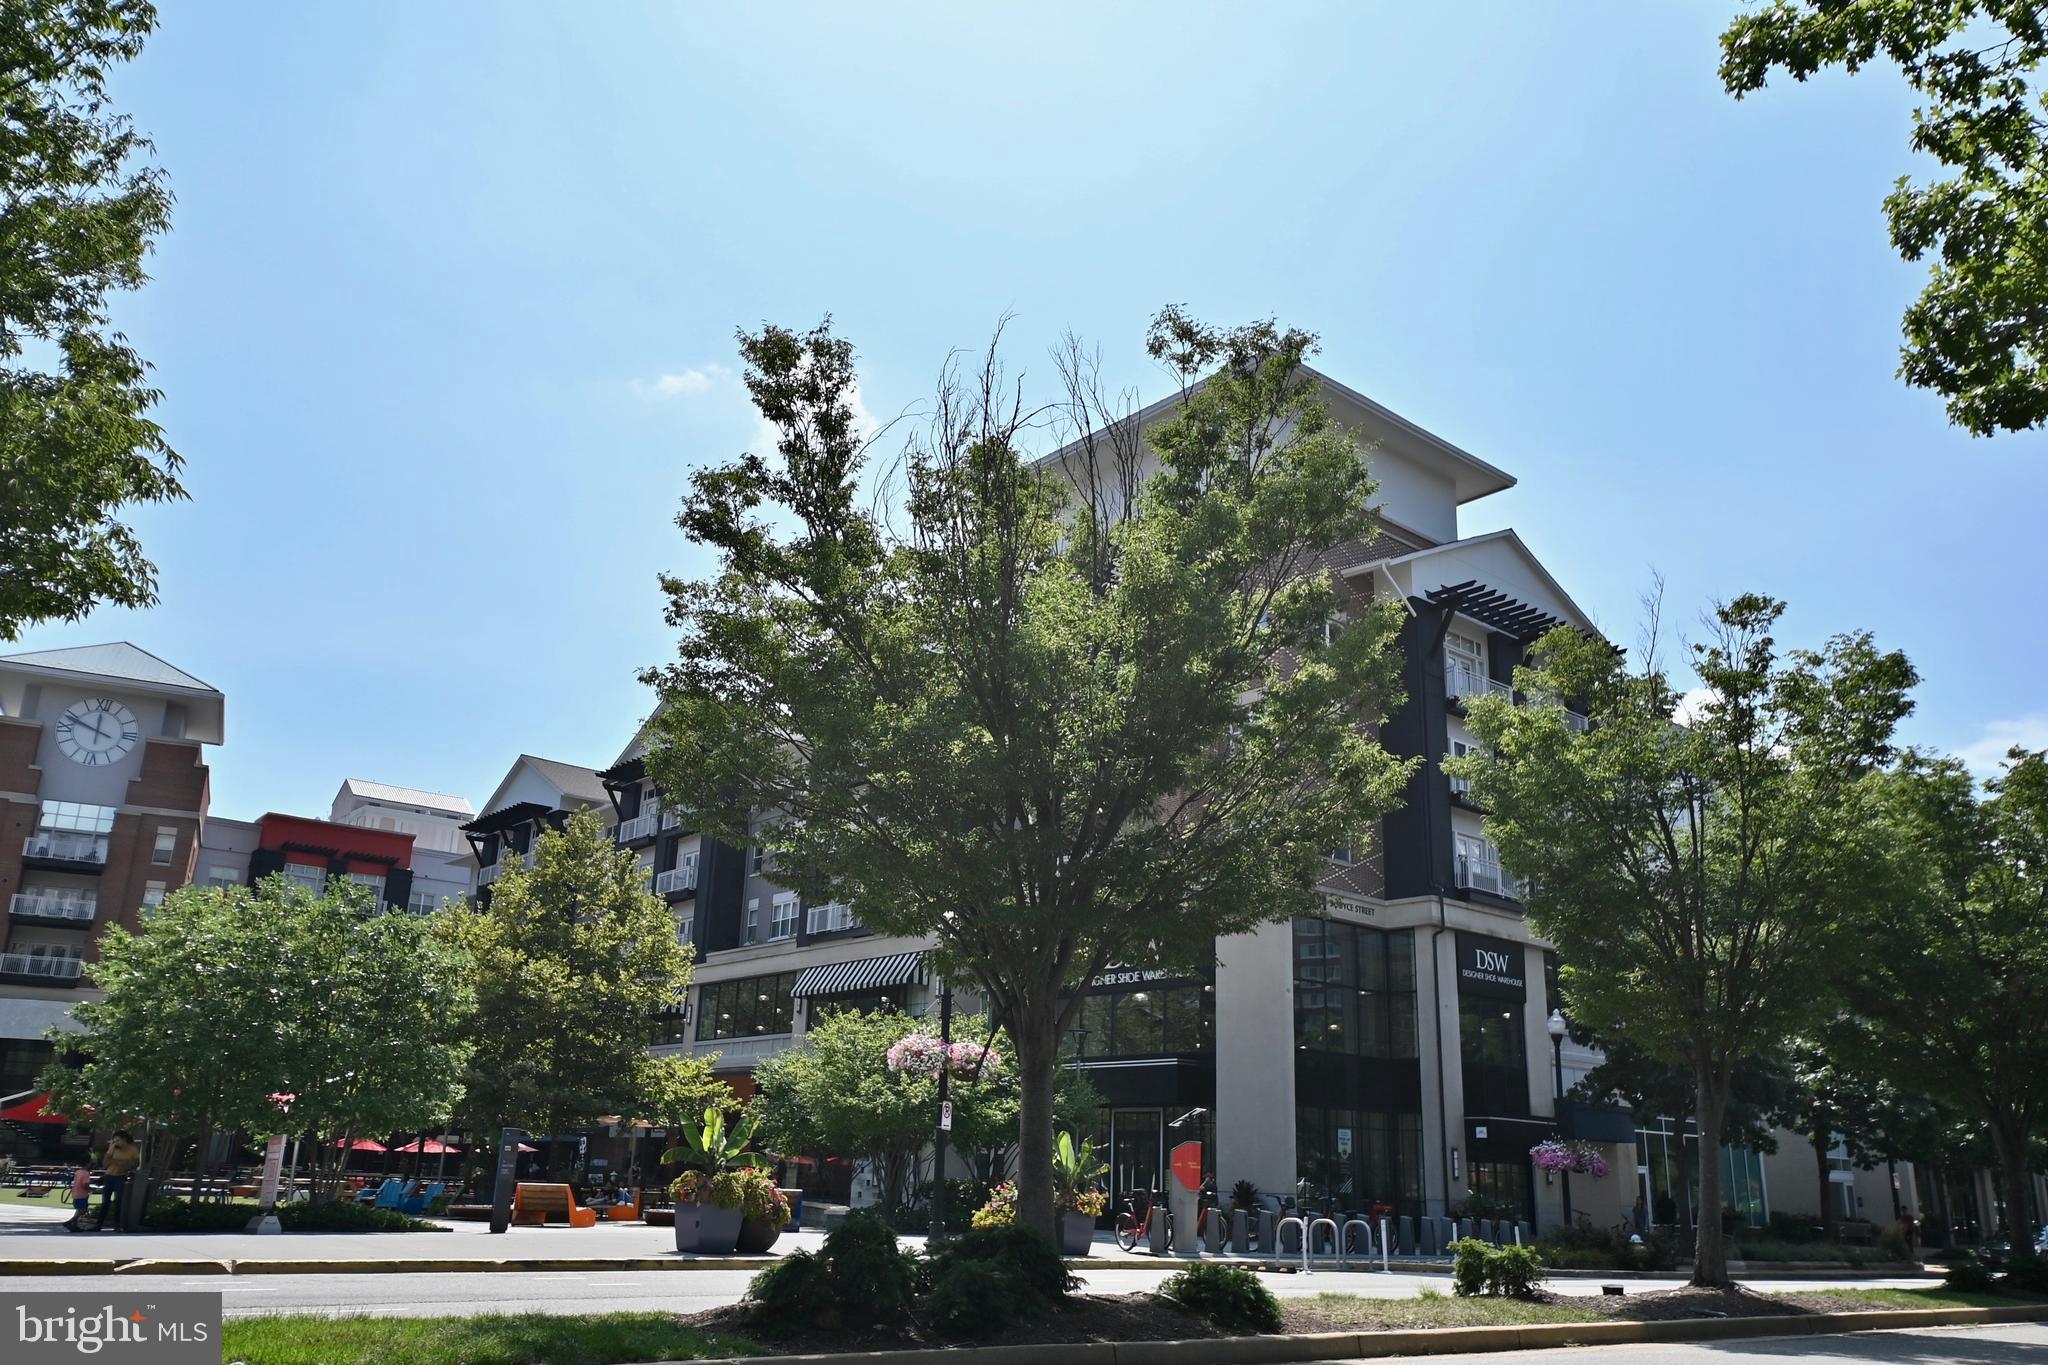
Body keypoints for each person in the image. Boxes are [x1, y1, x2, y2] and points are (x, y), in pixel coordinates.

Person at [98, 1130, 140, 1231]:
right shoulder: (113, 1147)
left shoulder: (133, 1149)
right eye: (114, 1140)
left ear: (124, 1139)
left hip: (121, 1177)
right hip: (109, 1176)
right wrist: (121, 1163)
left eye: (118, 1140)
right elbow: (106, 1161)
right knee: (105, 1201)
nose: (115, 1142)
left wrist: (123, 1164)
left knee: (119, 1201)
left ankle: (117, 1225)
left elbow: (135, 1163)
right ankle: (98, 1224)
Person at [64, 1163, 93, 1232]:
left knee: (78, 1210)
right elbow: (85, 1185)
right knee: (83, 1210)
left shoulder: (78, 1172)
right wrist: (91, 1189)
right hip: (82, 1194)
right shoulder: (86, 1173)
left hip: (76, 1193)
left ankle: (74, 1226)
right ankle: (69, 1222)